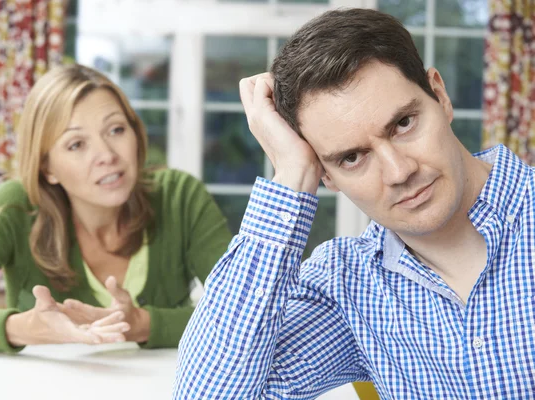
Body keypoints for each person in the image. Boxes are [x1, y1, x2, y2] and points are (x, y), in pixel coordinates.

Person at [174, 8, 535, 399]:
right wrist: (292, 176)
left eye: (403, 124)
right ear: (325, 175)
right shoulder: (347, 285)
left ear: (440, 95)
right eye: (351, 157)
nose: (399, 171)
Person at [0, 64, 231, 353]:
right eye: (76, 144)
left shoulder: (180, 197)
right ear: (46, 167)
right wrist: (23, 329)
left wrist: (143, 323)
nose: (106, 155)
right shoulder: (14, 208)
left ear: (135, 133)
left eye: (116, 129)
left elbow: (244, 316)